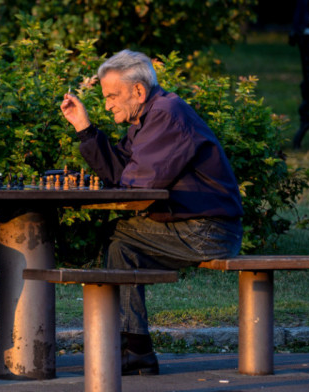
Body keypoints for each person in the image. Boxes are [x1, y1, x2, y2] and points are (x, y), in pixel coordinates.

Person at [59, 50, 244, 375]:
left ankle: (133, 348)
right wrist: (84, 128)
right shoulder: (149, 118)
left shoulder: (166, 115)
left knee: (120, 236)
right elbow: (120, 172)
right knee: (122, 245)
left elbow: (138, 184)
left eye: (112, 96)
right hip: (195, 224)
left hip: (208, 230)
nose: (107, 105)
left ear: (139, 91)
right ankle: (136, 350)